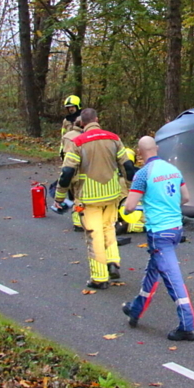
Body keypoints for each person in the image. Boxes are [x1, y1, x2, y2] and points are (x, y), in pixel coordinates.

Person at [121, 136, 194, 341]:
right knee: (152, 271)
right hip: (175, 229)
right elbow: (186, 198)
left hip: (159, 232)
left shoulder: (143, 174)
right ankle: (135, 310)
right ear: (156, 148)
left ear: (139, 152)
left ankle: (187, 325)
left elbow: (129, 206)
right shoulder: (173, 169)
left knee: (173, 278)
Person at [53, 108, 136, 289]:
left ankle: (99, 278)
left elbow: (67, 172)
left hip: (89, 197)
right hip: (112, 194)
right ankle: (113, 261)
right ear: (97, 119)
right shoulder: (114, 139)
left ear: (82, 122)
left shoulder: (78, 142)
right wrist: (131, 191)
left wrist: (59, 197)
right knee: (109, 228)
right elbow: (128, 166)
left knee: (94, 234)